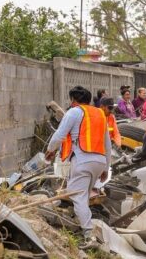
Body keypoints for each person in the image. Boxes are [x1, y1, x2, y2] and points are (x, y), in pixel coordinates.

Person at [45, 86, 112, 250]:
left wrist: (50, 150)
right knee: (84, 197)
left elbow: (60, 134)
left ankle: (89, 235)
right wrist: (106, 168)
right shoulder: (100, 115)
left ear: (73, 100)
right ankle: (83, 225)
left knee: (77, 196)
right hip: (99, 161)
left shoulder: (74, 112)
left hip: (83, 160)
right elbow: (107, 144)